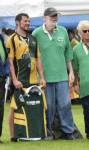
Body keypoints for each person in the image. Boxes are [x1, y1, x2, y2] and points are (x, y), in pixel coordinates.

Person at [32, 7, 75, 140]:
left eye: (56, 17)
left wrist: (71, 72)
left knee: (65, 105)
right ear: (44, 18)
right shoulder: (36, 33)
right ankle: (48, 132)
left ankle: (68, 132)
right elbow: (33, 57)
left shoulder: (63, 31)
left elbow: (68, 54)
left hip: (62, 76)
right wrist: (38, 76)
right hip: (44, 78)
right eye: (51, 17)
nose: (54, 19)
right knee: (48, 106)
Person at [6, 13, 46, 141]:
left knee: (37, 105)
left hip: (34, 80)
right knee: (14, 106)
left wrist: (42, 78)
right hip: (20, 80)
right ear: (17, 22)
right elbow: (10, 62)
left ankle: (37, 133)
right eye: (25, 21)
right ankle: (13, 136)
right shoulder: (12, 39)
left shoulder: (33, 38)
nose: (28, 23)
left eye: (29, 21)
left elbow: (38, 59)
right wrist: (15, 80)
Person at [0, 34, 9, 143]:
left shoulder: (1, 38)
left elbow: (5, 57)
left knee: (0, 108)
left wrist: (6, 73)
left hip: (2, 77)